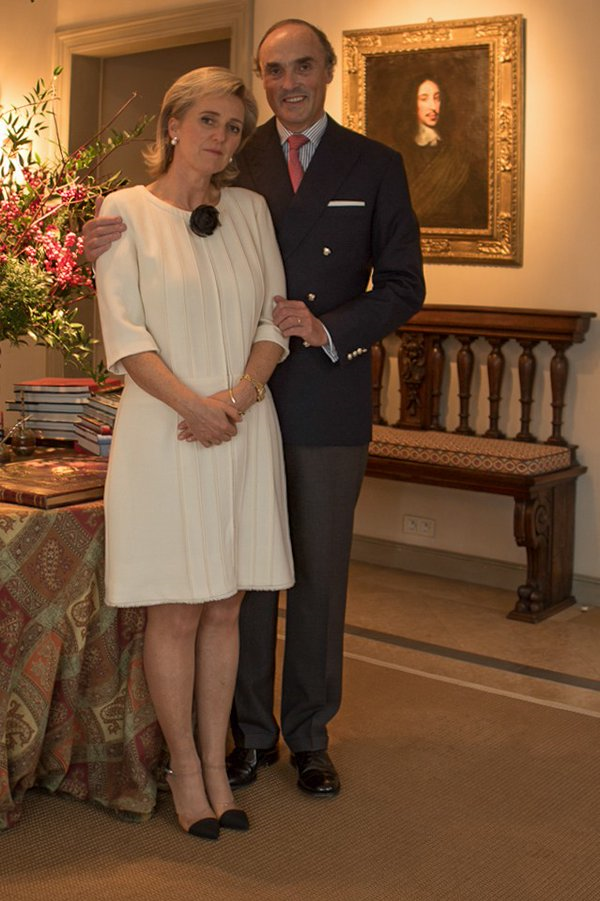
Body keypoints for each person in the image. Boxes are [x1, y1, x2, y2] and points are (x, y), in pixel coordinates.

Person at [84, 19, 425, 798]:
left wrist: (327, 329)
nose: (288, 83)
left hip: (317, 392)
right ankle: (247, 734)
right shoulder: (240, 155)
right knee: (238, 584)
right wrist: (91, 241)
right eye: (274, 70)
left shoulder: (375, 164)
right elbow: (154, 235)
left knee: (316, 577)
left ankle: (309, 735)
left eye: (302, 67)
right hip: (225, 404)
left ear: (327, 71)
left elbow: (405, 284)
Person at [93, 66, 294, 839]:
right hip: (167, 432)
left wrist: (235, 400)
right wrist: (195, 407)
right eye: (207, 119)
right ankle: (183, 767)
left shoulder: (250, 211)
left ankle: (217, 763)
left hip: (241, 426)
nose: (221, 136)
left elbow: (273, 322)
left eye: (234, 125)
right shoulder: (124, 212)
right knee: (177, 607)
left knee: (226, 603)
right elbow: (126, 335)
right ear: (172, 125)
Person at [395, 73, 488, 229]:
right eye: (424, 99)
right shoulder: (399, 153)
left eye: (437, 98)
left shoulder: (458, 156)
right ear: (412, 103)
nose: (433, 106)